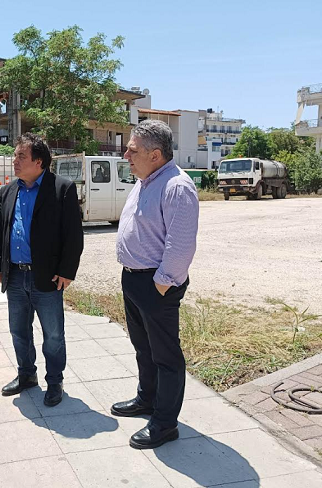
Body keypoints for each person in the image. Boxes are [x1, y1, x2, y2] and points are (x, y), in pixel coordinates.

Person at [111, 120, 199, 449]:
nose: (126, 156)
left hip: (156, 284)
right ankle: (147, 400)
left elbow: (181, 245)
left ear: (155, 154)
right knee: (143, 349)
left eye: (132, 150)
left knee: (166, 356)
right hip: (134, 279)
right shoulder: (145, 181)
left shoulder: (177, 186)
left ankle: (165, 423)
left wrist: (161, 284)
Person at [0, 133, 83, 407]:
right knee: (19, 331)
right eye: (15, 155)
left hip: (47, 277)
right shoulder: (8, 191)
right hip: (15, 275)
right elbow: (0, 232)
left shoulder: (62, 189)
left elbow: (73, 235)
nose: (14, 161)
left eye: (21, 156)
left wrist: (67, 271)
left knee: (53, 335)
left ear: (39, 162)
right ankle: (26, 375)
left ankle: (54, 381)